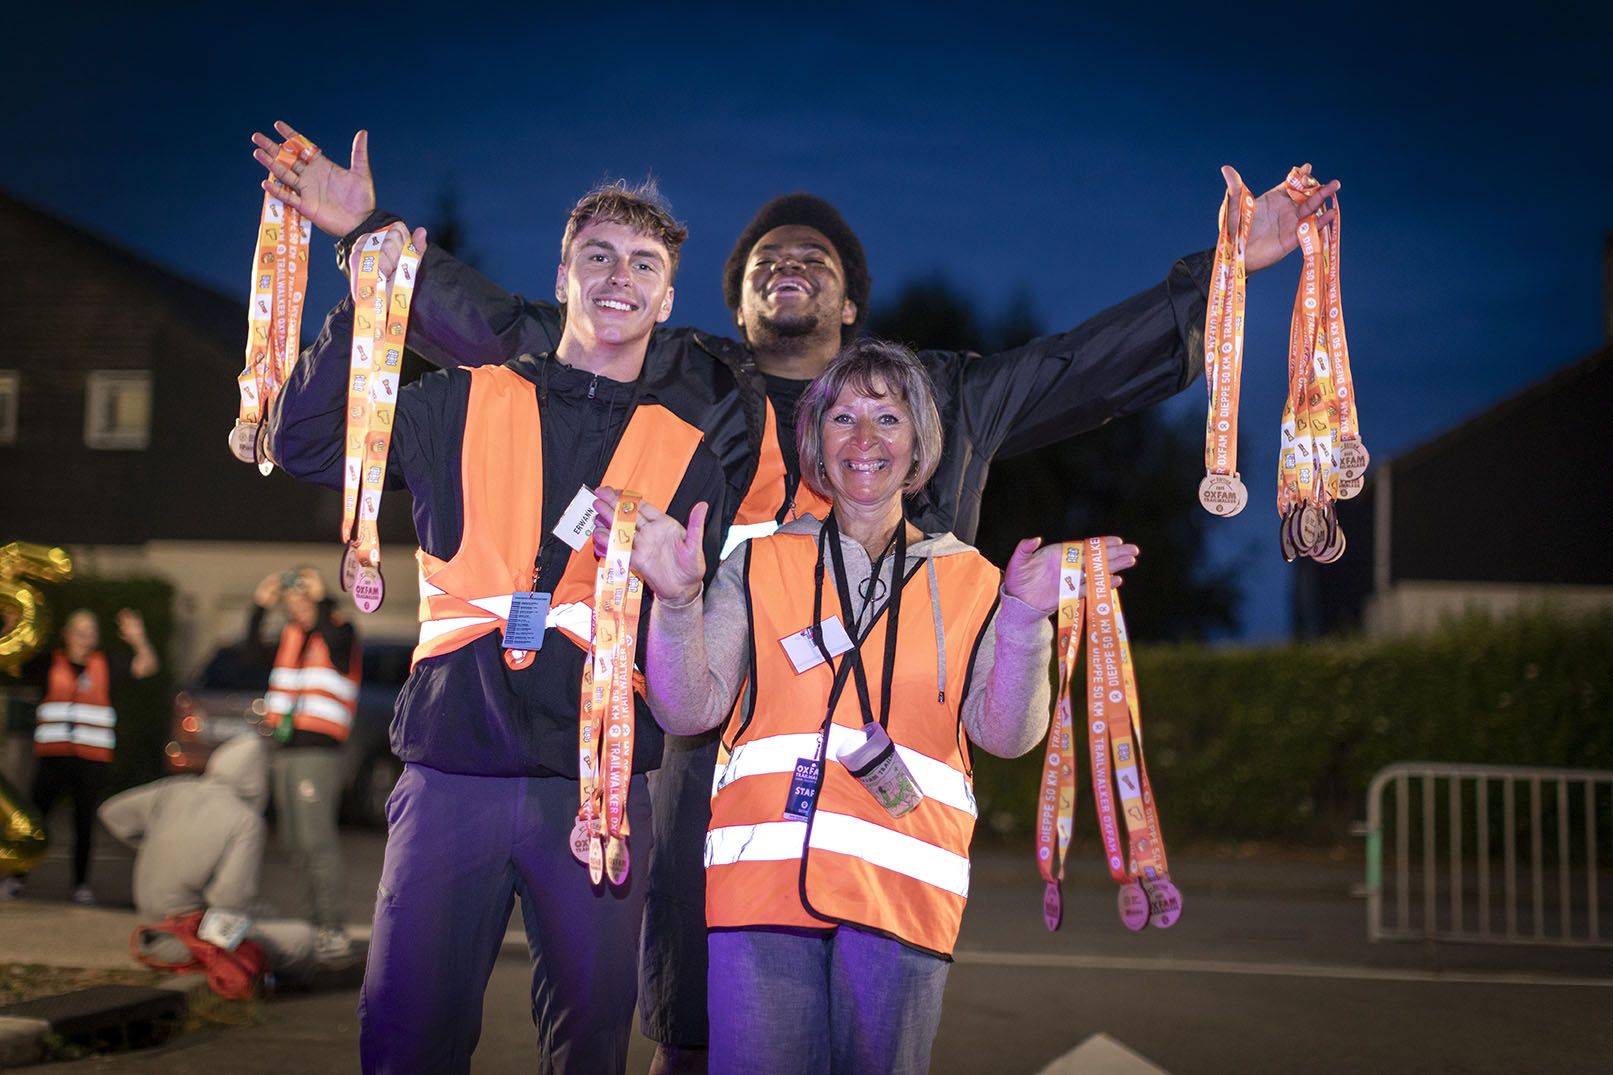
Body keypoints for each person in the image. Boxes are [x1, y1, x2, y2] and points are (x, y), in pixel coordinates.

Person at [251, 121, 1334, 1070]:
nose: (789, 265)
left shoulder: (935, 397)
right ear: (724, 300)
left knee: (864, 1033)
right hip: (695, 742)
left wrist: (1230, 267)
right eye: (766, 257)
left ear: (852, 302)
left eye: (814, 257)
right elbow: (527, 328)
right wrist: (368, 234)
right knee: (686, 1020)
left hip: (881, 780)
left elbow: (1089, 365)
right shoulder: (679, 377)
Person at [267, 179, 726, 1074]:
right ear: (563, 275)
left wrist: (678, 598)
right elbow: (309, 444)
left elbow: (687, 664)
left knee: (589, 1047)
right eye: (596, 255)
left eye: (643, 264)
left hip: (595, 794)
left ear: (667, 299)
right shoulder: (456, 403)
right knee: (406, 1041)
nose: (617, 277)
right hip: (451, 772)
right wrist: (364, 306)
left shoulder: (691, 454)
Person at [604, 338, 1137, 1072]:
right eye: (842, 418)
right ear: (815, 442)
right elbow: (686, 709)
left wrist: (1021, 620)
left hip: (901, 906)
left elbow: (1007, 734)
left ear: (919, 443)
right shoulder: (758, 562)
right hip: (761, 900)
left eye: (887, 418)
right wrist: (676, 600)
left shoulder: (974, 578)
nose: (863, 439)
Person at [97, 733, 326, 981]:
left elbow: (111, 813)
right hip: (188, 939)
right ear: (258, 781)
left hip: (148, 931)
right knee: (302, 938)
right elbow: (228, 901)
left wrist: (152, 845)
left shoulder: (174, 789)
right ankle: (271, 984)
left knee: (266, 917)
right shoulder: (245, 821)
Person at [0, 608, 157, 905]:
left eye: (91, 631)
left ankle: (80, 885)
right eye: (81, 630)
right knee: (34, 819)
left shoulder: (107, 665)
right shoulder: (49, 663)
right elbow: (13, 662)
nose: (87, 637)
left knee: (84, 823)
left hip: (92, 759)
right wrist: (10, 626)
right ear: (67, 634)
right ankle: (17, 878)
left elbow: (146, 666)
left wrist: (139, 639)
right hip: (53, 757)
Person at [245, 566, 359, 960]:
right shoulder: (291, 635)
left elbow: (336, 642)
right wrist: (260, 608)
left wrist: (324, 596)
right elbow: (250, 652)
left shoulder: (340, 631)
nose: (296, 605)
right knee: (294, 841)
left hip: (319, 752)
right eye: (291, 600)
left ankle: (333, 927)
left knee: (317, 840)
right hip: (287, 750)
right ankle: (315, 924)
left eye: (303, 598)